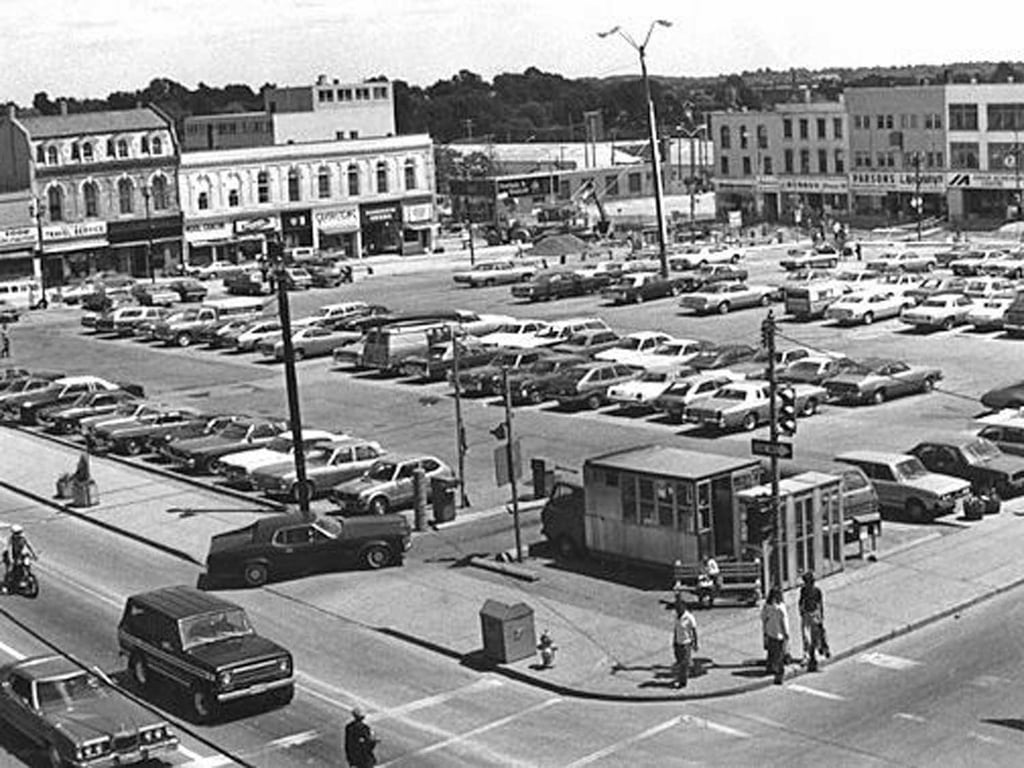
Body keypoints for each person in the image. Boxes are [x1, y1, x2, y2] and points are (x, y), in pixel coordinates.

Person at [799, 572, 828, 672]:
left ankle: (814, 654)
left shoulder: (817, 591)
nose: (806, 585)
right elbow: (801, 601)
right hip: (806, 614)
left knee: (815, 636)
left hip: (814, 614)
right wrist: (801, 612)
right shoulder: (803, 590)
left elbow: (820, 604)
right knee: (806, 636)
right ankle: (806, 654)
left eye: (807, 582)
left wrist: (821, 616)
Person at [761, 587, 789, 684]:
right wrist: (787, 633)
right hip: (779, 634)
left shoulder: (766, 606)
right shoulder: (781, 608)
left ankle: (770, 667)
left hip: (770, 632)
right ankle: (779, 674)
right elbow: (784, 622)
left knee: (771, 652)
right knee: (780, 655)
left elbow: (763, 618)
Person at [672, 602, 698, 688]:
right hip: (678, 643)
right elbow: (676, 630)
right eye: (676, 609)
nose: (677, 610)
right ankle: (681, 678)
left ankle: (683, 682)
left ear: (683, 608)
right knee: (679, 663)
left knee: (684, 664)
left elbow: (694, 630)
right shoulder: (677, 617)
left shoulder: (689, 617)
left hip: (686, 643)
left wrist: (695, 643)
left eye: (679, 608)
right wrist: (674, 641)